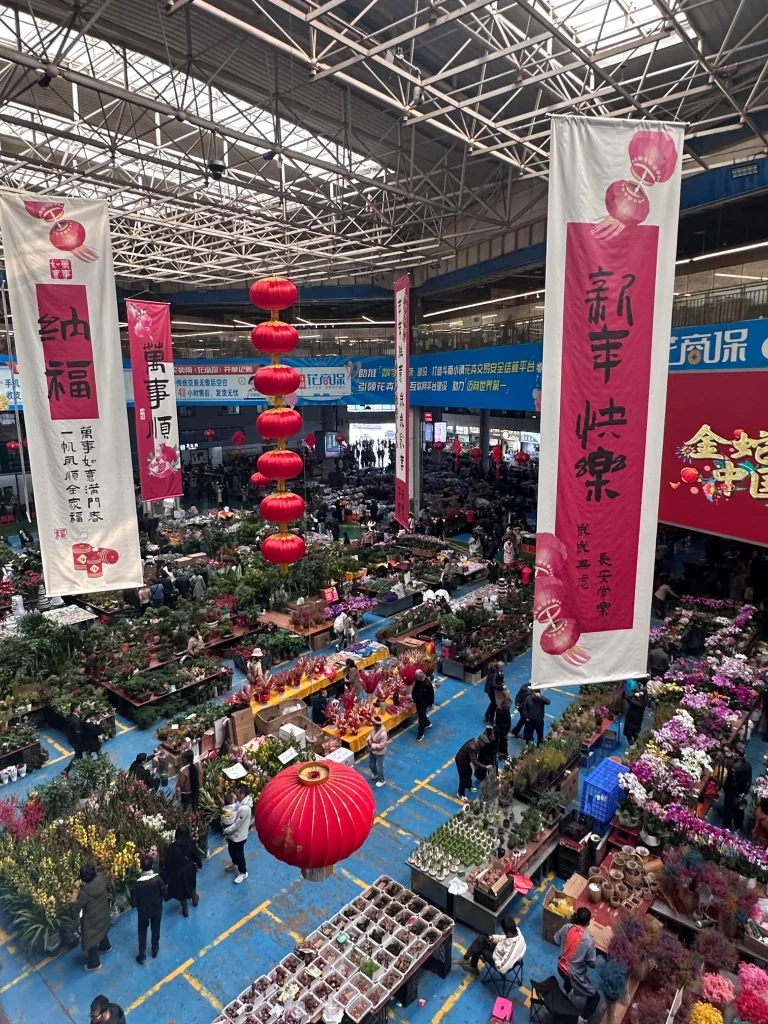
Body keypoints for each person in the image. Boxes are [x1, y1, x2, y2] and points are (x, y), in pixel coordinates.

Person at [555, 907, 599, 1021]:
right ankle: (582, 1019)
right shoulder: (588, 942)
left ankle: (567, 991)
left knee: (567, 979)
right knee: (595, 998)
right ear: (588, 923)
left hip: (560, 967)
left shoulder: (567, 927)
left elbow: (556, 939)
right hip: (573, 975)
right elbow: (592, 963)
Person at [455, 916, 526, 975]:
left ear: (509, 932)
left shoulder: (512, 949)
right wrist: (493, 938)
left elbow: (502, 968)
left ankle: (468, 962)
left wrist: (495, 959)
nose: (503, 932)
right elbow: (505, 938)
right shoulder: (515, 933)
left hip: (498, 960)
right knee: (481, 939)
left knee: (479, 947)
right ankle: (468, 962)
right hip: (500, 951)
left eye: (504, 931)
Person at [73, 863, 112, 972]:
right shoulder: (101, 879)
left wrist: (74, 896)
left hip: (92, 921)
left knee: (91, 940)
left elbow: (76, 908)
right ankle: (105, 946)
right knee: (102, 928)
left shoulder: (84, 893)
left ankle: (94, 963)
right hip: (103, 913)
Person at [131, 853, 166, 964]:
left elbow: (133, 903)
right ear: (152, 866)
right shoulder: (157, 879)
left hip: (143, 912)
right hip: (156, 909)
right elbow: (164, 892)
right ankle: (155, 949)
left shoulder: (137, 884)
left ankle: (142, 954)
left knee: (142, 931)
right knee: (156, 928)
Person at [163, 825, 203, 917]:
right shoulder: (191, 844)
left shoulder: (172, 847)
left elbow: (167, 862)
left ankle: (185, 908)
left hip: (178, 873)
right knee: (192, 885)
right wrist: (199, 864)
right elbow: (196, 856)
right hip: (190, 870)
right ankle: (194, 899)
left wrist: (167, 876)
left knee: (181, 892)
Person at [223, 781, 253, 883]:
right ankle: (234, 863)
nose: (235, 795)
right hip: (233, 835)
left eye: (237, 793)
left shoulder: (244, 809)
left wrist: (226, 830)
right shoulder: (239, 804)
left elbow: (237, 825)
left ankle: (243, 872)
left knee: (239, 854)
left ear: (242, 794)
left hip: (239, 837)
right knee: (231, 850)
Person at [722, 743, 753, 830]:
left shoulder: (733, 766)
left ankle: (727, 828)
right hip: (741, 793)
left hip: (731, 793)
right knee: (739, 810)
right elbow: (749, 781)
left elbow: (733, 782)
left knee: (728, 810)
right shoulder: (748, 766)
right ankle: (738, 826)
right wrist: (744, 792)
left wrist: (733, 792)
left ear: (736, 754)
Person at [455, 736, 481, 800]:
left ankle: (468, 786)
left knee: (469, 772)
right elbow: (474, 760)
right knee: (463, 778)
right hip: (460, 762)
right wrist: (484, 766)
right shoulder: (472, 747)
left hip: (465, 761)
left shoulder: (476, 744)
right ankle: (460, 793)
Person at [494, 678, 514, 758]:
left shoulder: (496, 688)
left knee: (499, 735)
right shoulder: (504, 691)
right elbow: (508, 698)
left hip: (499, 711)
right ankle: (504, 754)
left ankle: (498, 751)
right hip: (503, 715)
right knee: (503, 739)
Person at [413, 669, 434, 742]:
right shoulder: (417, 680)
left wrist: (430, 704)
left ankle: (420, 734)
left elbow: (431, 695)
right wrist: (413, 697)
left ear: (419, 677)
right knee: (420, 713)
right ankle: (428, 723)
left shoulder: (428, 684)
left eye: (416, 676)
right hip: (418, 701)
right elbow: (415, 689)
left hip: (424, 703)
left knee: (421, 718)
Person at [368, 715, 388, 788]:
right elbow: (371, 735)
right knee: (371, 764)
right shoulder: (374, 729)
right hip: (372, 750)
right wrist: (369, 740)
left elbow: (382, 745)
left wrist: (372, 745)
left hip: (380, 752)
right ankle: (375, 773)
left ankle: (382, 780)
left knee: (380, 768)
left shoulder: (383, 733)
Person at [64, 702, 83, 775]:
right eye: (79, 707)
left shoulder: (70, 717)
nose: (80, 708)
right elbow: (77, 733)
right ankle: (67, 770)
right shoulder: (75, 721)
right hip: (76, 741)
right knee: (78, 755)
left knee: (79, 755)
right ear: (76, 709)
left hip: (72, 740)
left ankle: (80, 767)